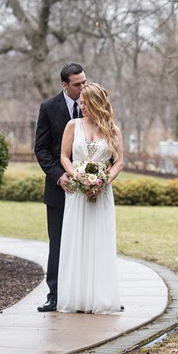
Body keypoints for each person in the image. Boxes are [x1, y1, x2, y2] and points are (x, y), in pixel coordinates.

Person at [57, 83, 124, 313]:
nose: (81, 106)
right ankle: (76, 297)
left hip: (102, 195)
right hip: (77, 194)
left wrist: (103, 181)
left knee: (99, 241)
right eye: (81, 102)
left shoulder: (113, 129)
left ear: (96, 103)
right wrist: (78, 176)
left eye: (85, 102)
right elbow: (64, 157)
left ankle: (100, 297)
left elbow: (119, 163)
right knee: (77, 240)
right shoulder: (72, 125)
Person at [34, 63, 88, 312]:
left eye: (84, 82)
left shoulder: (94, 105)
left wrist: (95, 177)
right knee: (57, 242)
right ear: (65, 85)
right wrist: (59, 176)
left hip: (90, 189)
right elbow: (41, 149)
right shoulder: (48, 108)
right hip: (59, 189)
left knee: (88, 241)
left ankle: (90, 293)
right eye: (77, 84)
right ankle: (54, 294)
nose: (83, 87)